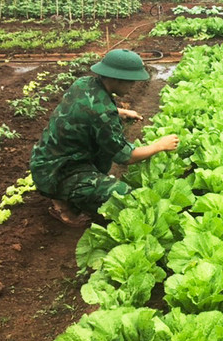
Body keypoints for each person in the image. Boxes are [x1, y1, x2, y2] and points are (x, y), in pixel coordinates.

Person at [30, 49, 179, 226]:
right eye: (130, 81)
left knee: (103, 152)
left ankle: (66, 192)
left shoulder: (83, 83)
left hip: (46, 161)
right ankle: (63, 205)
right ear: (116, 78)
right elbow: (126, 157)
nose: (133, 86)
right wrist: (159, 146)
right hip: (56, 173)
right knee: (123, 194)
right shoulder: (103, 115)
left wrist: (120, 112)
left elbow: (87, 108)